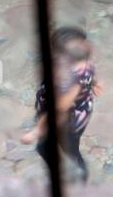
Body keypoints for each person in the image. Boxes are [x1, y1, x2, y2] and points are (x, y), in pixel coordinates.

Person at [20, 26, 101, 183]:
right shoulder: (85, 62)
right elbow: (89, 73)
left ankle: (79, 176)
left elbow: (60, 107)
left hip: (67, 121)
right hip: (77, 110)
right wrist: (94, 83)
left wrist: (37, 130)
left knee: (56, 148)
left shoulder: (70, 78)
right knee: (53, 147)